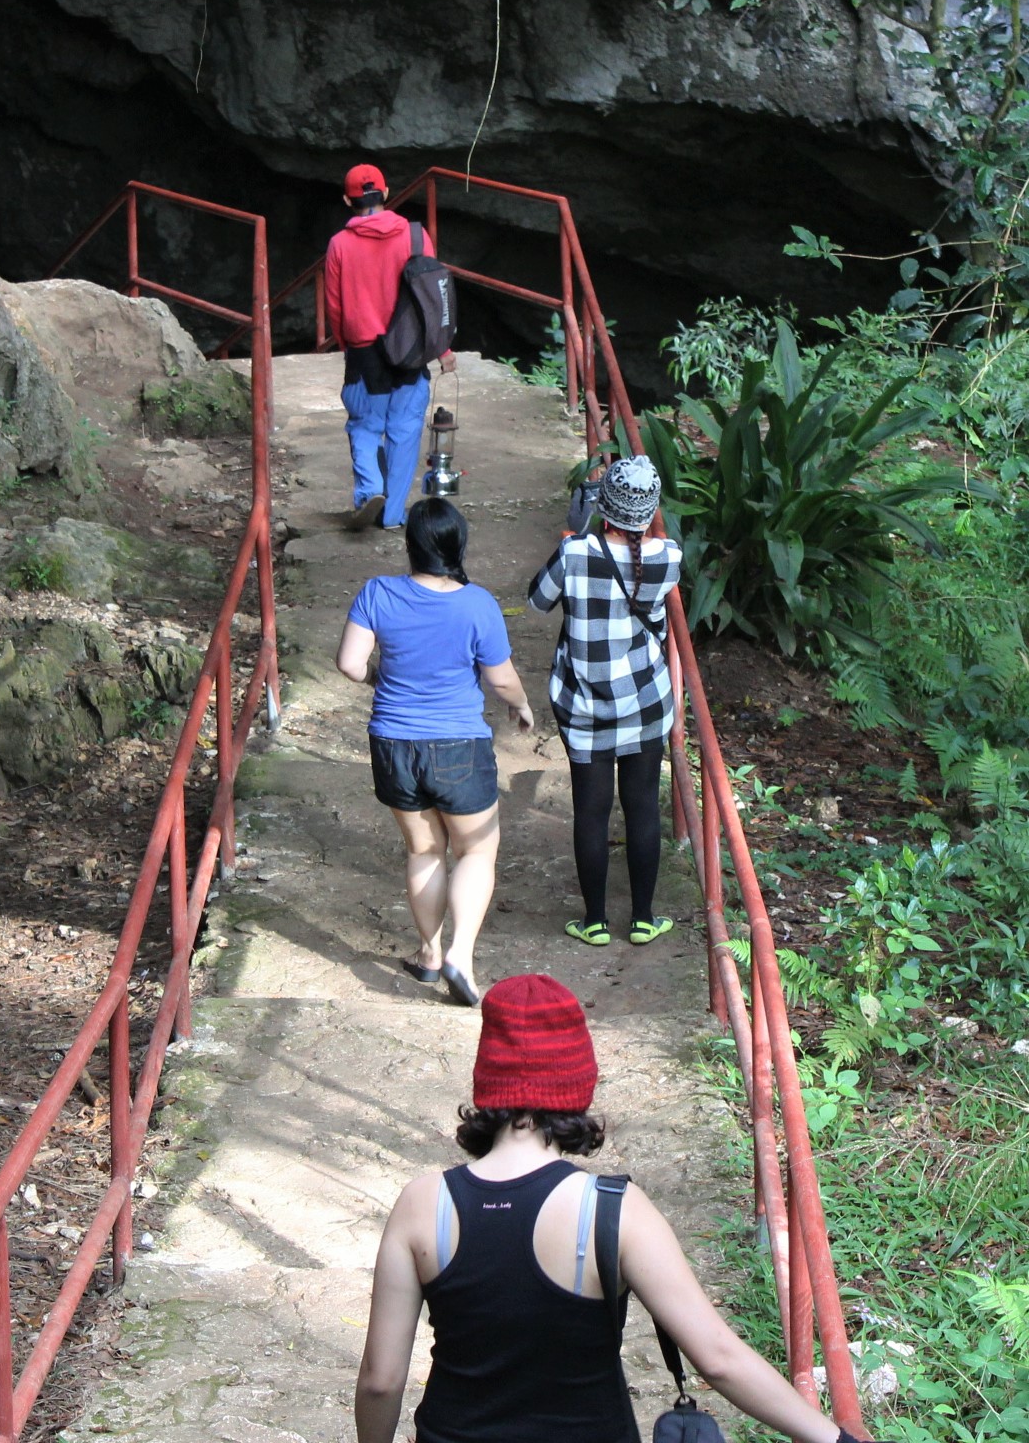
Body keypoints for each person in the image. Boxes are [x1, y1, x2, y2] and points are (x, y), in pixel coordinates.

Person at [355, 974, 863, 1443]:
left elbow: (381, 1381)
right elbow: (719, 1359)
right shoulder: (614, 1211)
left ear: (487, 1084)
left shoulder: (422, 1204)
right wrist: (834, 1438)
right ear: (577, 1084)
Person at [337, 498, 535, 1007]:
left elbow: (350, 664)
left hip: (393, 745)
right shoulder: (477, 605)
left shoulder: (377, 593)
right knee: (475, 850)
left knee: (424, 850)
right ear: (458, 545)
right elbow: (501, 679)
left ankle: (428, 953)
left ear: (411, 546)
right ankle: (459, 956)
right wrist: (522, 707)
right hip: (457, 746)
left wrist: (383, 677)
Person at [529, 456, 684, 948]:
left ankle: (594, 921)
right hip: (644, 701)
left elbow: (536, 599)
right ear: (650, 510)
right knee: (642, 809)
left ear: (604, 506)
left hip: (584, 704)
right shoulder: (669, 557)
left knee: (590, 812)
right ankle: (643, 919)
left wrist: (573, 531)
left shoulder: (576, 553)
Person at [321, 163, 448, 530]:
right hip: (409, 352)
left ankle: (370, 492)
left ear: (348, 200)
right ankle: (392, 515)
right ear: (387, 193)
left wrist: (348, 345)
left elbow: (334, 305)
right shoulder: (415, 236)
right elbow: (432, 297)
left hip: (365, 354)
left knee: (364, 426)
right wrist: (440, 348)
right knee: (405, 430)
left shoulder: (339, 245)